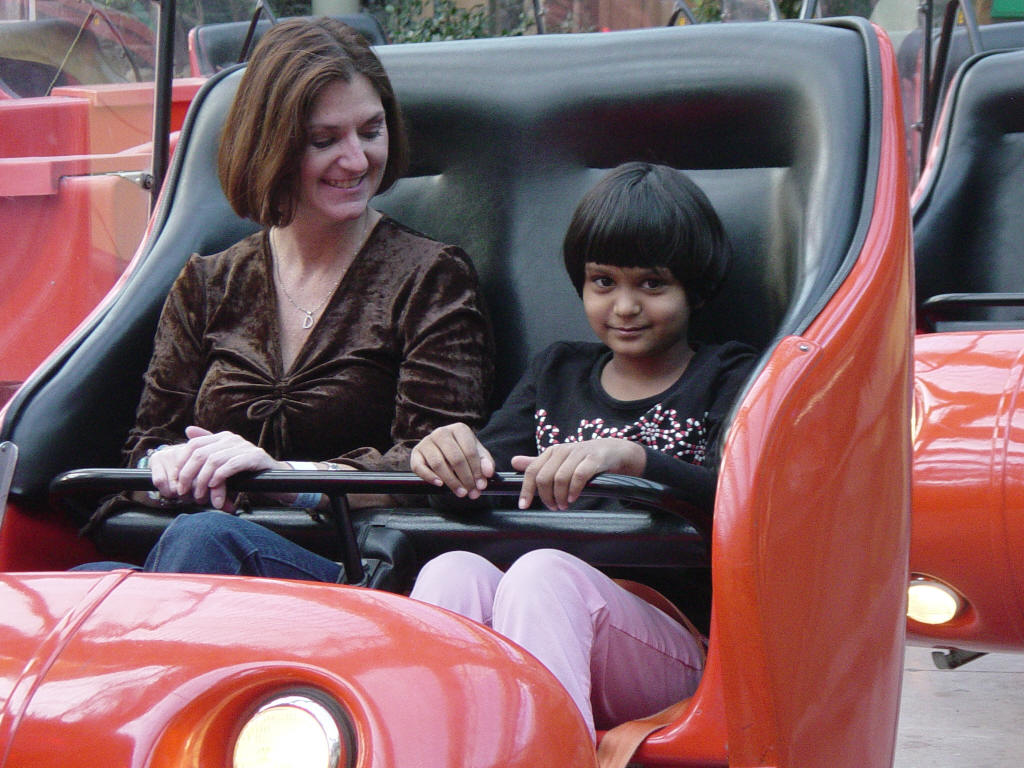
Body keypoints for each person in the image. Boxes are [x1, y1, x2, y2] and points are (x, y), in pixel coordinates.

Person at [78, 17, 493, 580]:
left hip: (355, 568)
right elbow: (146, 447)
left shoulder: (432, 278)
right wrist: (172, 468)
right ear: (270, 145)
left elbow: (434, 459)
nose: (356, 160)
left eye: (371, 131)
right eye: (324, 141)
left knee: (205, 538)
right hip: (201, 560)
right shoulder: (207, 283)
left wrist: (287, 477)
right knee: (72, 587)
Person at [407, 162, 758, 740]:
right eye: (603, 282)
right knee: (452, 571)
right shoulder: (557, 371)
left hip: (672, 641)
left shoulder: (729, 375)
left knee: (543, 574)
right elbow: (473, 488)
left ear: (694, 289)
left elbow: (742, 502)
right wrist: (447, 456)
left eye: (652, 284)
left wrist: (633, 460)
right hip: (539, 619)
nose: (625, 306)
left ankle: (550, 750)